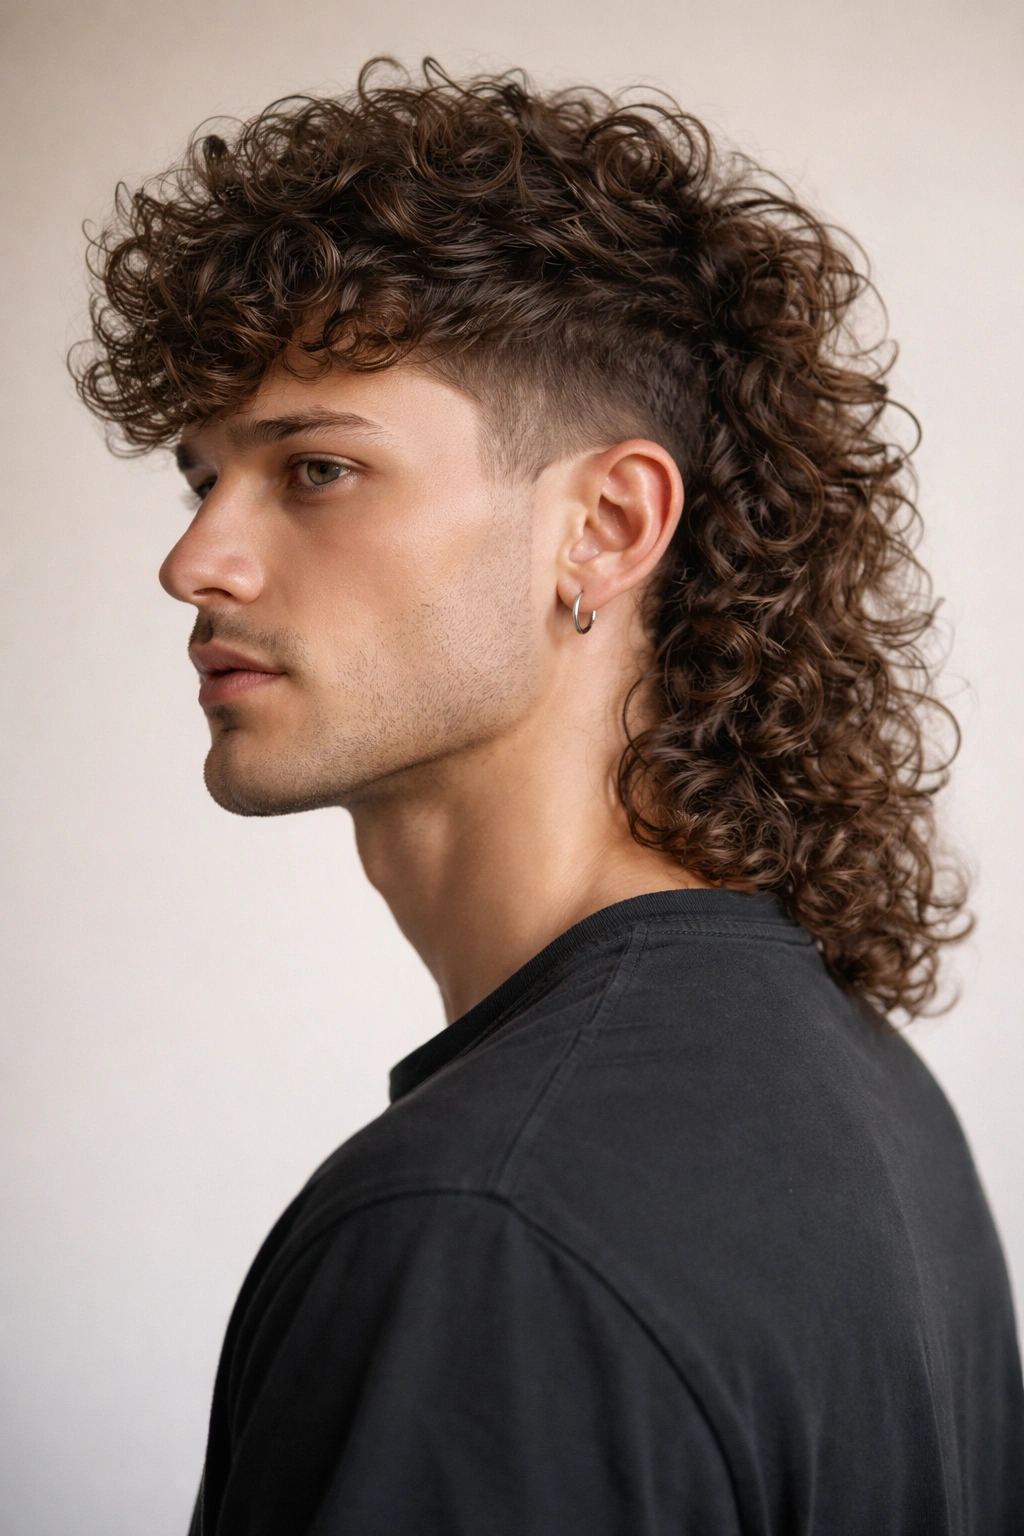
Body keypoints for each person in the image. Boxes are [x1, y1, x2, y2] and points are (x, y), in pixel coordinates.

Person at [74, 59, 1022, 1535]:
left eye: (314, 469)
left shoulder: (482, 1233)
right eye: (200, 479)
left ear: (607, 524)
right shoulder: (861, 1092)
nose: (196, 561)